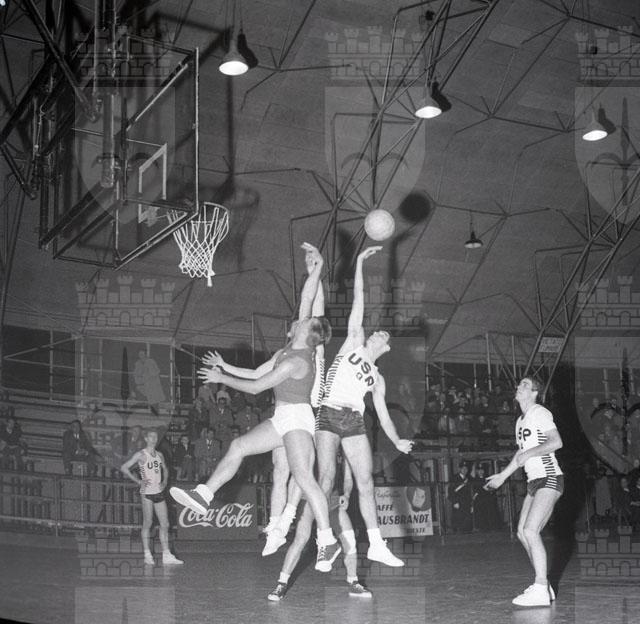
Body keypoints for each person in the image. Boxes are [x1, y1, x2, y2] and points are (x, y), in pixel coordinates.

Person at [170, 243, 342, 571]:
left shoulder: (298, 361)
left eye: (304, 322)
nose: (299, 319)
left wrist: (221, 377)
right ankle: (204, 495)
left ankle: (327, 540)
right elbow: (253, 372)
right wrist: (315, 268)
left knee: (303, 477)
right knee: (238, 446)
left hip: (298, 418)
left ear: (309, 333)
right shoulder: (287, 350)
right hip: (282, 416)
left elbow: (256, 387)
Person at [315, 246, 414, 568]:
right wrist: (358, 262)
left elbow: (383, 415)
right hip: (329, 411)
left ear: (386, 348)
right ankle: (324, 540)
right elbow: (359, 301)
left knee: (366, 482)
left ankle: (376, 544)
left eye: (383, 334)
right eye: (378, 331)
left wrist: (397, 440)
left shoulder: (378, 378)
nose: (378, 332)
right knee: (326, 478)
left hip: (354, 420)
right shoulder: (354, 342)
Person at [485, 377, 563, 607]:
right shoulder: (520, 421)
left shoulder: (540, 412)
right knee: (522, 532)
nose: (519, 387)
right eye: (519, 384)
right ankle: (544, 586)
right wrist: (502, 476)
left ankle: (540, 586)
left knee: (531, 530)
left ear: (535, 392)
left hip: (549, 477)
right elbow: (520, 453)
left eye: (525, 385)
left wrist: (530, 453)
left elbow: (556, 442)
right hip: (534, 481)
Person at [267, 456, 371, 601]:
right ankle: (281, 584)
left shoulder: (343, 449)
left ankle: (354, 582)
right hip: (308, 499)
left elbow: (348, 479)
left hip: (332, 499)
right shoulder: (310, 446)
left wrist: (346, 495)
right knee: (301, 539)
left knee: (349, 539)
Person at [120, 428, 183, 566]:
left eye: (155, 437)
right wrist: (138, 481)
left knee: (165, 524)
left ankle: (166, 554)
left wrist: (164, 482)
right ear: (146, 439)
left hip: (158, 492)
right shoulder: (141, 454)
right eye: (151, 437)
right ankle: (147, 554)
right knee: (148, 523)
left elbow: (165, 469)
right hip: (147, 492)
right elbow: (124, 467)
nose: (154, 439)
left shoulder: (159, 454)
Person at [449, 461, 473, 533]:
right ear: (459, 469)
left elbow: (470, 492)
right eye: (463, 468)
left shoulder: (469, 479)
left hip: (467, 502)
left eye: (466, 468)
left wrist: (471, 504)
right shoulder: (454, 478)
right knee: (458, 520)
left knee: (467, 522)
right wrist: (455, 502)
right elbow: (451, 491)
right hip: (458, 502)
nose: (465, 470)